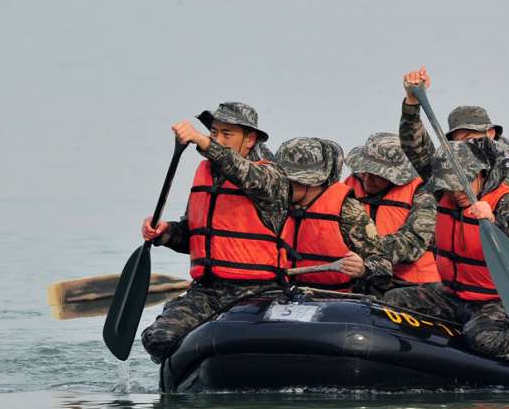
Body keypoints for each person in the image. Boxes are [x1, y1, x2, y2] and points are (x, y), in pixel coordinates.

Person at [387, 66, 509, 371]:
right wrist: (412, 103)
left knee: (482, 337)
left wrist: (494, 220)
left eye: (462, 184)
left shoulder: (506, 200)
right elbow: (415, 148)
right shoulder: (445, 186)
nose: (457, 192)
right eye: (450, 186)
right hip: (455, 294)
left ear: (480, 174)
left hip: (498, 300)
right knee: (393, 302)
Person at [140, 102, 288, 363]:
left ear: (250, 139)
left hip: (258, 292)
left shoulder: (269, 177)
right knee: (158, 337)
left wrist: (201, 141)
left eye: (226, 134)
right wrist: (164, 233)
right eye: (214, 133)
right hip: (207, 291)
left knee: (242, 341)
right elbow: (193, 235)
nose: (217, 139)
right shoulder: (206, 177)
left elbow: (241, 170)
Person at [274, 137, 393, 294]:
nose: (279, 186)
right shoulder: (274, 206)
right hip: (282, 297)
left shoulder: (348, 210)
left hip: (334, 302)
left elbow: (383, 264)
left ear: (309, 181)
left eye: (288, 181)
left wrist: (363, 269)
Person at [343, 133, 440, 286]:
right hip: (359, 277)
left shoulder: (422, 190)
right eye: (364, 170)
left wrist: (369, 251)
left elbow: (415, 240)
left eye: (377, 175)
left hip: (409, 284)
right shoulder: (350, 183)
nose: (368, 179)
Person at [442, 98, 509, 184]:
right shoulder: (453, 165)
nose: (463, 147)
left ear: (490, 133)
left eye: (469, 139)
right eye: (457, 144)